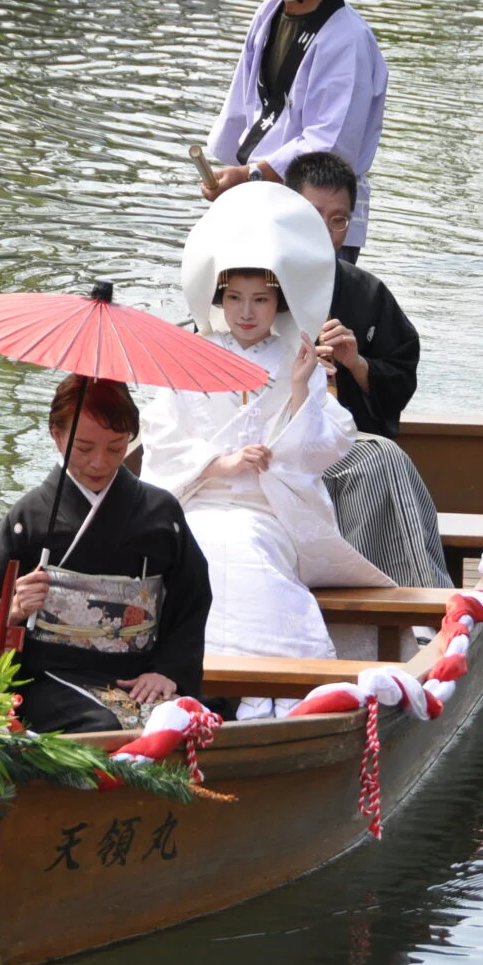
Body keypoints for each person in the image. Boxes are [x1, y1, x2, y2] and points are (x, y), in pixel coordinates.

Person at [140, 184, 393, 714]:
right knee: (200, 549)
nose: (246, 312)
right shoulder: (188, 355)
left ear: (278, 301)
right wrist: (218, 463)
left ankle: (267, 690)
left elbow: (325, 447)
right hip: (197, 502)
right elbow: (161, 435)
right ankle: (188, 682)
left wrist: (301, 388)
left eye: (260, 299)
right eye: (234, 298)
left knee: (245, 553)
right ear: (218, 298)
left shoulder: (294, 358)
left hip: (266, 508)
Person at [0, 375, 212, 734]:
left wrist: (169, 671)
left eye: (115, 448)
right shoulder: (29, 517)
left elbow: (192, 597)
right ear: (56, 435)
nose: (99, 463)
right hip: (50, 676)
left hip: (138, 675)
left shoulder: (160, 513)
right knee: (105, 725)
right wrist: (14, 606)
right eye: (83, 448)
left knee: (187, 720)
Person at [287, 151, 451, 590]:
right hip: (273, 439)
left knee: (380, 459)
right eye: (312, 216)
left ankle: (406, 598)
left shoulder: (366, 293)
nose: (325, 232)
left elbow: (401, 370)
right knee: (380, 461)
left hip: (346, 439)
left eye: (338, 220)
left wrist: (355, 364)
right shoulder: (252, 287)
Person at [200, 0, 388, 259]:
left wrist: (252, 174)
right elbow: (243, 103)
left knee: (312, 315)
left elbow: (332, 143)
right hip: (258, 198)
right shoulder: (268, 14)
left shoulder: (347, 38)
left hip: (319, 210)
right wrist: (230, 172)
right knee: (244, 311)